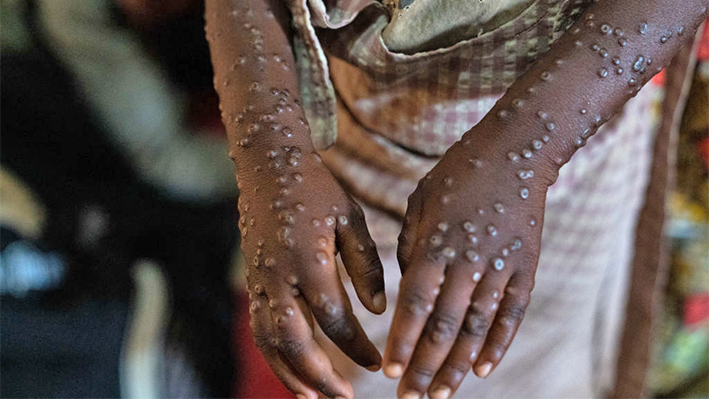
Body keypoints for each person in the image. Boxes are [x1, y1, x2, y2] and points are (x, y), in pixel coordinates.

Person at [205, 0, 708, 397]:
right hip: (353, 154)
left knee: (542, 353)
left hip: (569, 164)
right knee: (365, 351)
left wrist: (524, 155)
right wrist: (272, 155)